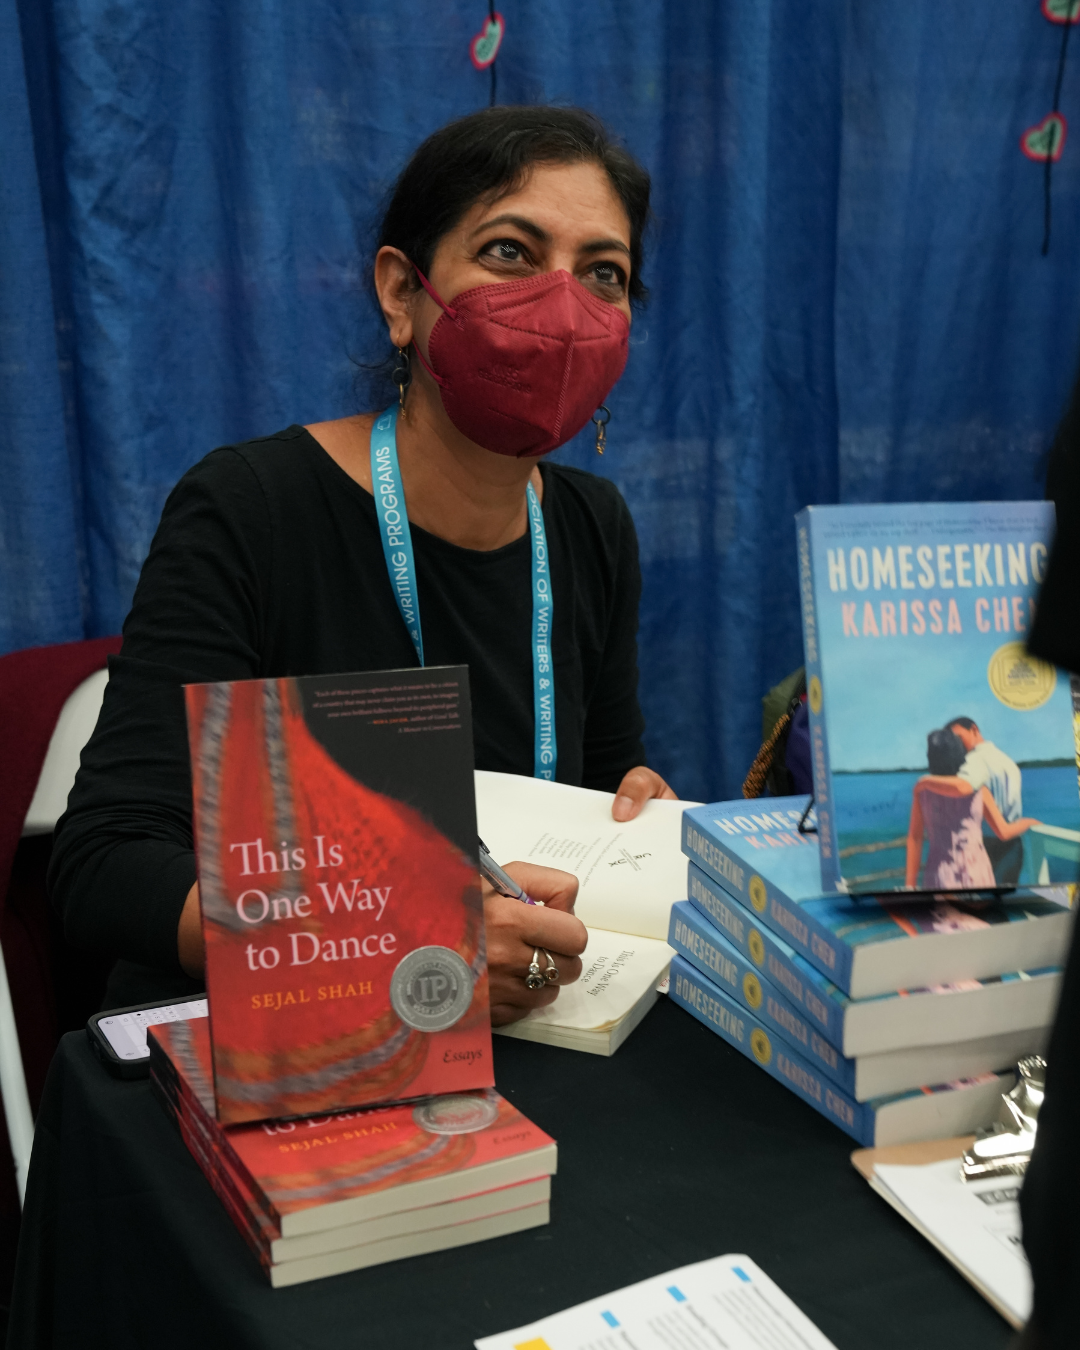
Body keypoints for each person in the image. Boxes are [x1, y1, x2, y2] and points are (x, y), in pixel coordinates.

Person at [48, 106, 677, 1024]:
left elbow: (605, 778)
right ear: (400, 293)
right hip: (283, 1043)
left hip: (516, 1028)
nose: (562, 308)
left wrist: (634, 814)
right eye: (510, 252)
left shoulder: (592, 525)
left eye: (603, 275)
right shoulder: (251, 509)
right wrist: (407, 943)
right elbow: (106, 863)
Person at [904, 728, 1039, 890]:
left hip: (939, 870)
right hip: (975, 869)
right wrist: (1029, 822)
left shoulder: (922, 793)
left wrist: (910, 884)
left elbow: (915, 838)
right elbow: (1004, 832)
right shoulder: (979, 791)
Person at [945, 715, 1024, 884]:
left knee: (979, 901)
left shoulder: (972, 762)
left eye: (958, 738)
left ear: (974, 729)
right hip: (1014, 845)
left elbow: (960, 790)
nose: (956, 745)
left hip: (983, 846)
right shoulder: (1007, 761)